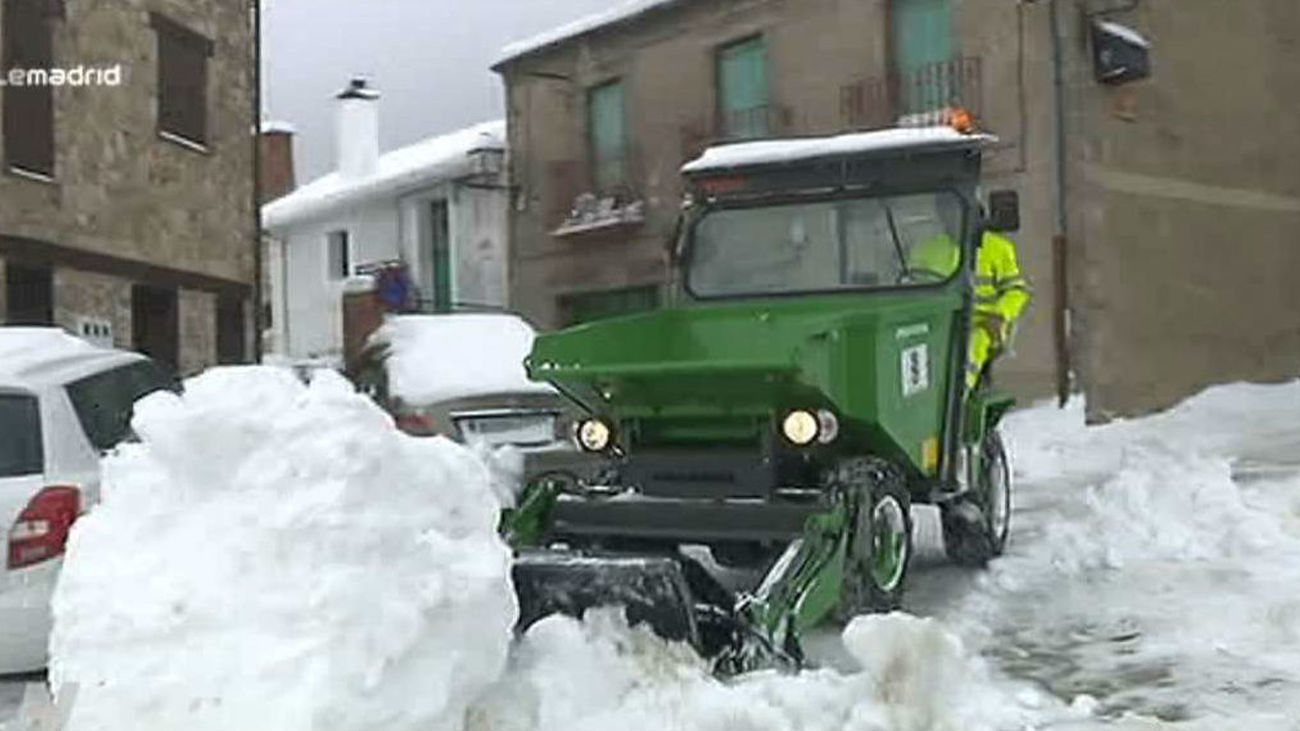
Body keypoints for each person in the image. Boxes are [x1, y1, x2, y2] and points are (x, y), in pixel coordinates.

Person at [908, 213, 1031, 392]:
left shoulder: (999, 248)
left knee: (975, 343)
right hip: (937, 324)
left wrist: (1000, 313)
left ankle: (960, 391)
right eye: (947, 211)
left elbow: (1017, 291)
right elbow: (910, 287)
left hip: (984, 324)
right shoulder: (925, 249)